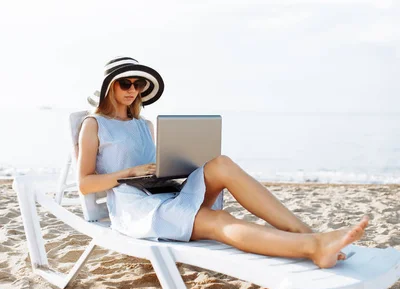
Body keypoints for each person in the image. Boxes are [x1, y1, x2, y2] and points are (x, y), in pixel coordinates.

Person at [78, 56, 369, 269]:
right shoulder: (94, 125)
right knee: (217, 220)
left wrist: (176, 168)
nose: (133, 89)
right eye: (125, 83)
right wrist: (128, 172)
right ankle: (315, 248)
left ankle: (306, 233)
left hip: (162, 192)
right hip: (137, 209)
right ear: (109, 87)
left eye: (138, 84)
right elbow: (85, 184)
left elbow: (153, 167)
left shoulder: (145, 125)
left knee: (220, 164)